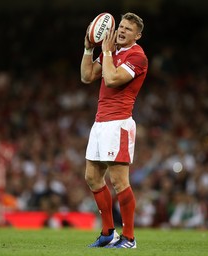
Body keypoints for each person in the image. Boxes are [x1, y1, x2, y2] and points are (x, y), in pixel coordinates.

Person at [80, 12, 148, 249]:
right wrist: (89, 49)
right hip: (100, 123)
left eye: (128, 29)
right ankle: (108, 232)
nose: (121, 31)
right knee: (92, 177)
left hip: (119, 123)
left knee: (119, 182)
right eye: (120, 26)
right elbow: (87, 76)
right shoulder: (111, 53)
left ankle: (129, 237)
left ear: (137, 35)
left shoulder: (137, 56)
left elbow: (111, 79)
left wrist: (106, 52)